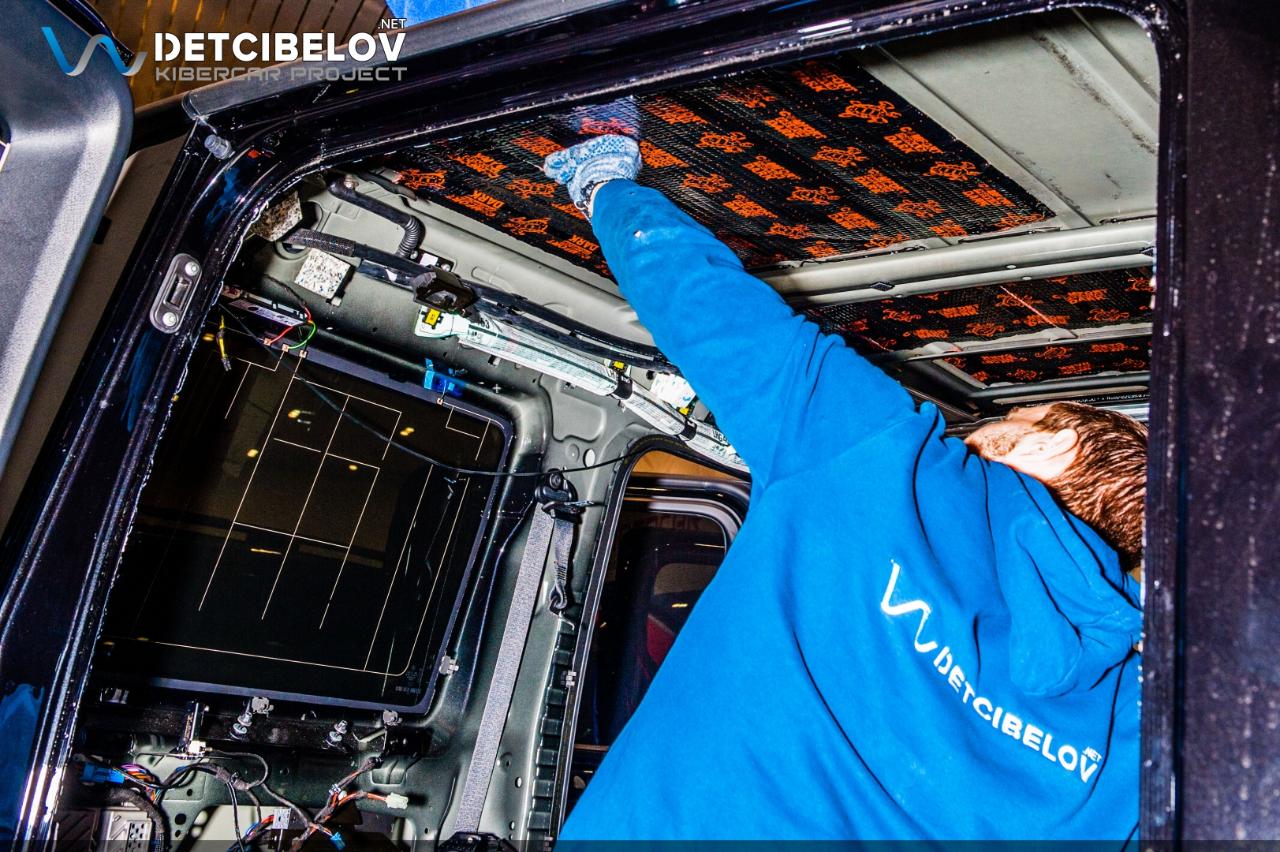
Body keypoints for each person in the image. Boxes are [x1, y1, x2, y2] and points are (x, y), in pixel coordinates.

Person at [542, 135, 1146, 842]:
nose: (978, 435)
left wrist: (602, 178)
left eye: (1013, 419)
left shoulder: (888, 461)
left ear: (1051, 445)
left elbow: (712, 312)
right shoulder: (1136, 732)